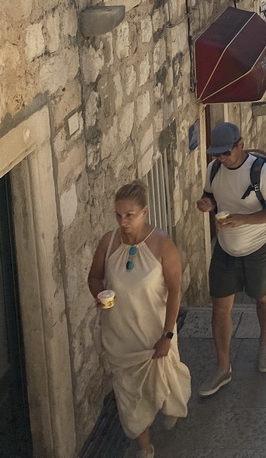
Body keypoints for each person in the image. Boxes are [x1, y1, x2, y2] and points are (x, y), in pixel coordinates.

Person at [88, 181, 191, 458]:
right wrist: (99, 294)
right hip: (120, 336)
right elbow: (94, 277)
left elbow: (174, 292)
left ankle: (169, 405)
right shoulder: (107, 243)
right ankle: (145, 448)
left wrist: (168, 335)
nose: (123, 222)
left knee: (164, 380)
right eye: (118, 215)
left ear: (144, 212)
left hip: (154, 332)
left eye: (129, 215)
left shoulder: (162, 244)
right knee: (128, 395)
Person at [196, 123, 266, 396]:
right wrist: (206, 204)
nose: (221, 158)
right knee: (219, 309)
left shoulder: (261, 172)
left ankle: (265, 339)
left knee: (262, 295)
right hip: (225, 249)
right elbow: (210, 195)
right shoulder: (214, 170)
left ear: (240, 145)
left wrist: (244, 220)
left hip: (257, 246)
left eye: (225, 153)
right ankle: (223, 368)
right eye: (216, 154)